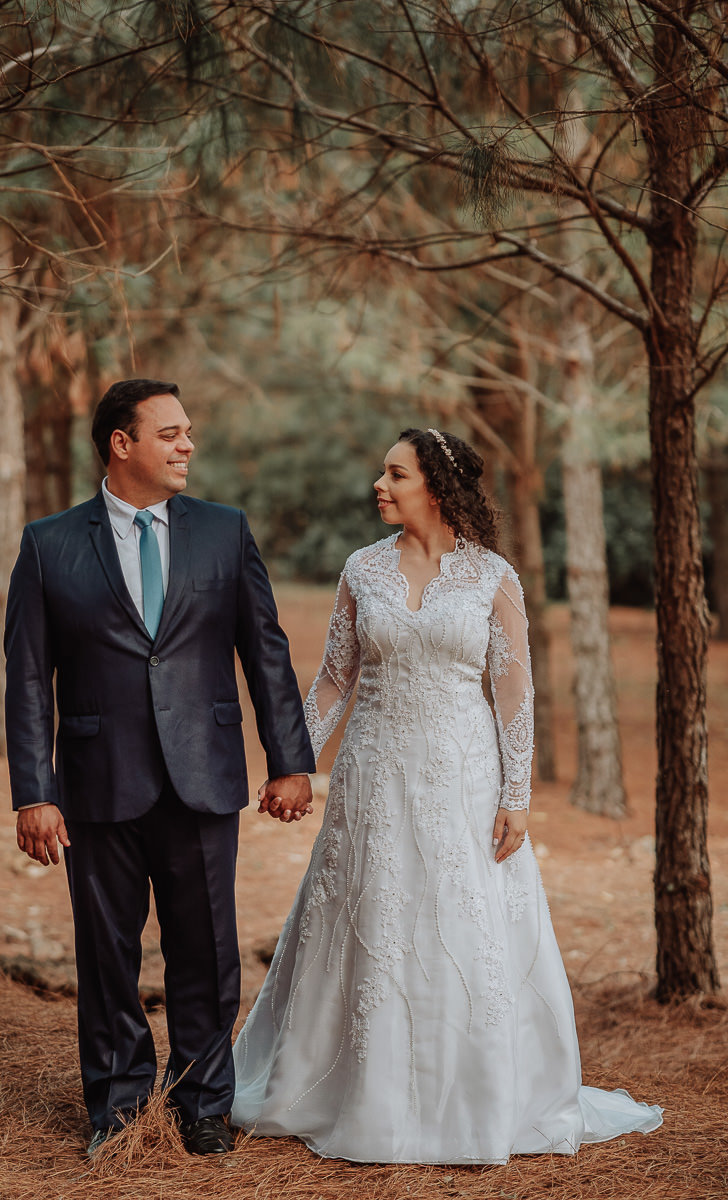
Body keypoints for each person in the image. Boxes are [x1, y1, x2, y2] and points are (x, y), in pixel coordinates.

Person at [231, 427, 662, 1164]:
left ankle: (473, 1097)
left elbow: (514, 689)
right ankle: (358, 1089)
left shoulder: (493, 576)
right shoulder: (361, 570)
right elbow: (337, 676)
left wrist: (518, 792)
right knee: (374, 913)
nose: (379, 483)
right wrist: (291, 761)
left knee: (462, 926)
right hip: (374, 773)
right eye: (381, 471)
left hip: (465, 777)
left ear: (434, 485)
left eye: (394, 473)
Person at [4, 379, 315, 1159]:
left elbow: (265, 651)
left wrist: (290, 761)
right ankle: (115, 1106)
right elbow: (28, 677)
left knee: (207, 950)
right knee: (107, 954)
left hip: (203, 773)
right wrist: (33, 794)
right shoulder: (49, 543)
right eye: (171, 433)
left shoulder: (223, 531)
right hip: (95, 781)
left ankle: (204, 1103)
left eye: (188, 433)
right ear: (122, 443)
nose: (187, 446)